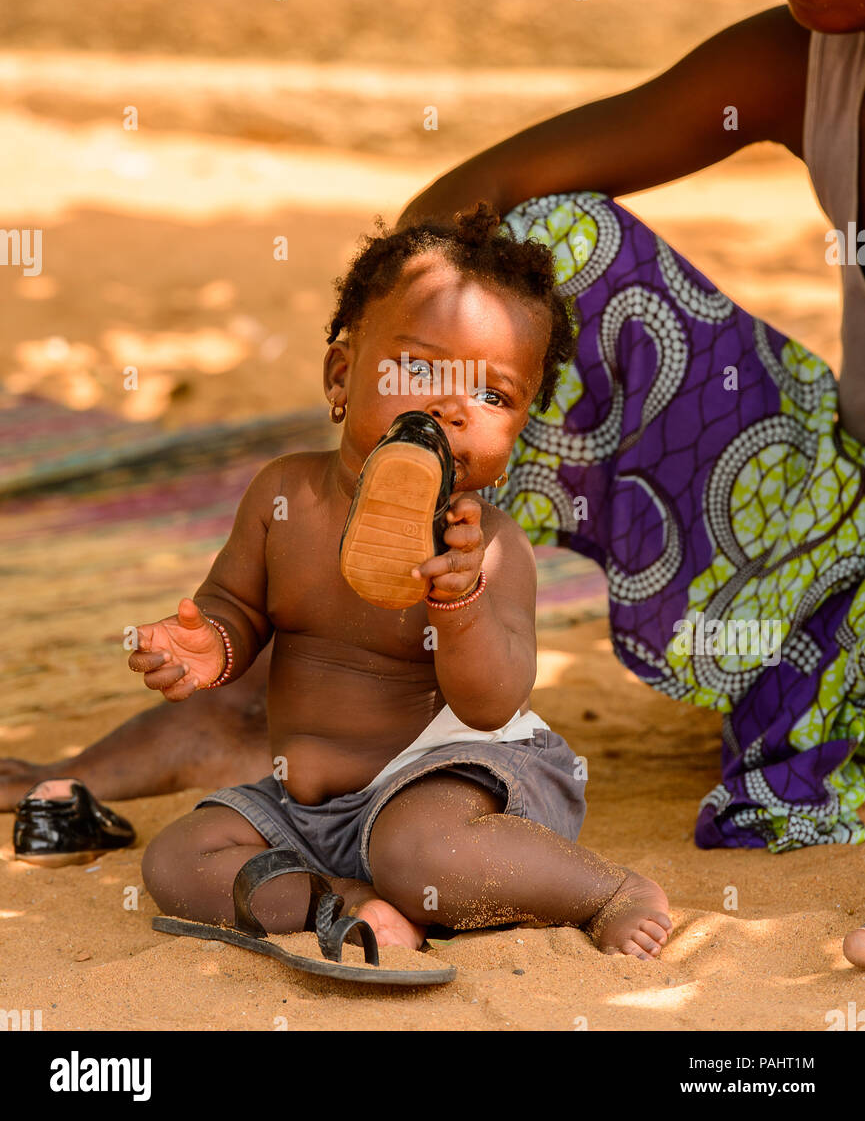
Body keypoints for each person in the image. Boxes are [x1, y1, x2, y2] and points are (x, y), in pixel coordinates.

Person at [4, 0, 865, 865]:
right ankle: (304, 679)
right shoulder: (799, 61)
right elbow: (461, 213)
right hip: (825, 514)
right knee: (534, 253)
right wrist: (386, 379)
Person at [125, 207, 669, 958]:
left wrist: (460, 604)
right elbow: (237, 609)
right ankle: (348, 901)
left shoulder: (489, 548)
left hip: (452, 783)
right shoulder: (283, 498)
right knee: (179, 859)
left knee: (422, 854)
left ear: (515, 437)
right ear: (341, 376)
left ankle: (606, 890)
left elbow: (490, 705)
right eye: (418, 368)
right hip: (307, 807)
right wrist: (206, 643)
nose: (450, 405)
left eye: (492, 395)